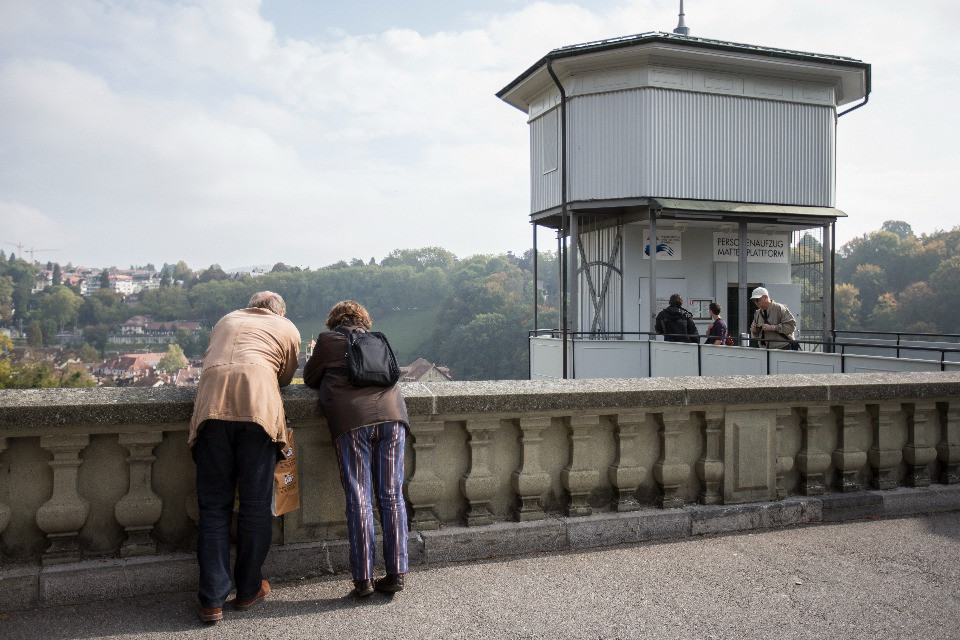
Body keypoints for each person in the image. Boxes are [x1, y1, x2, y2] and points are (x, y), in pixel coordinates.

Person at [189, 291, 301, 624]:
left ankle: (212, 599)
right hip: (258, 412)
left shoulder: (225, 320)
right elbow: (284, 376)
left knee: (214, 506)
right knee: (253, 506)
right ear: (279, 312)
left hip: (212, 409)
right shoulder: (286, 328)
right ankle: (249, 588)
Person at [303, 300, 410, 598]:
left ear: (333, 321)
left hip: (352, 423)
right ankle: (397, 573)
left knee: (359, 497)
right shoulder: (378, 339)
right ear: (364, 320)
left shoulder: (328, 341)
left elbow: (310, 377)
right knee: (392, 496)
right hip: (393, 418)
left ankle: (363, 579)